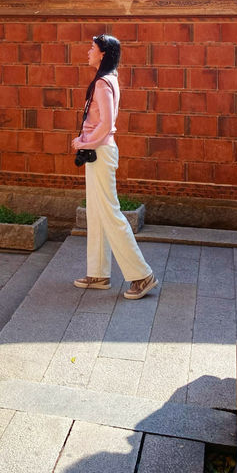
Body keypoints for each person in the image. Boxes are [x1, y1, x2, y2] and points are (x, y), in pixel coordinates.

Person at [71, 34, 158, 300]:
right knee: (96, 212)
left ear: (103, 55)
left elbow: (106, 124)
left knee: (109, 213)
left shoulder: (102, 84)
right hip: (96, 151)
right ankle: (98, 273)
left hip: (99, 149)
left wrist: (83, 141)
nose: (88, 52)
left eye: (92, 49)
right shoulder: (107, 80)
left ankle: (142, 275)